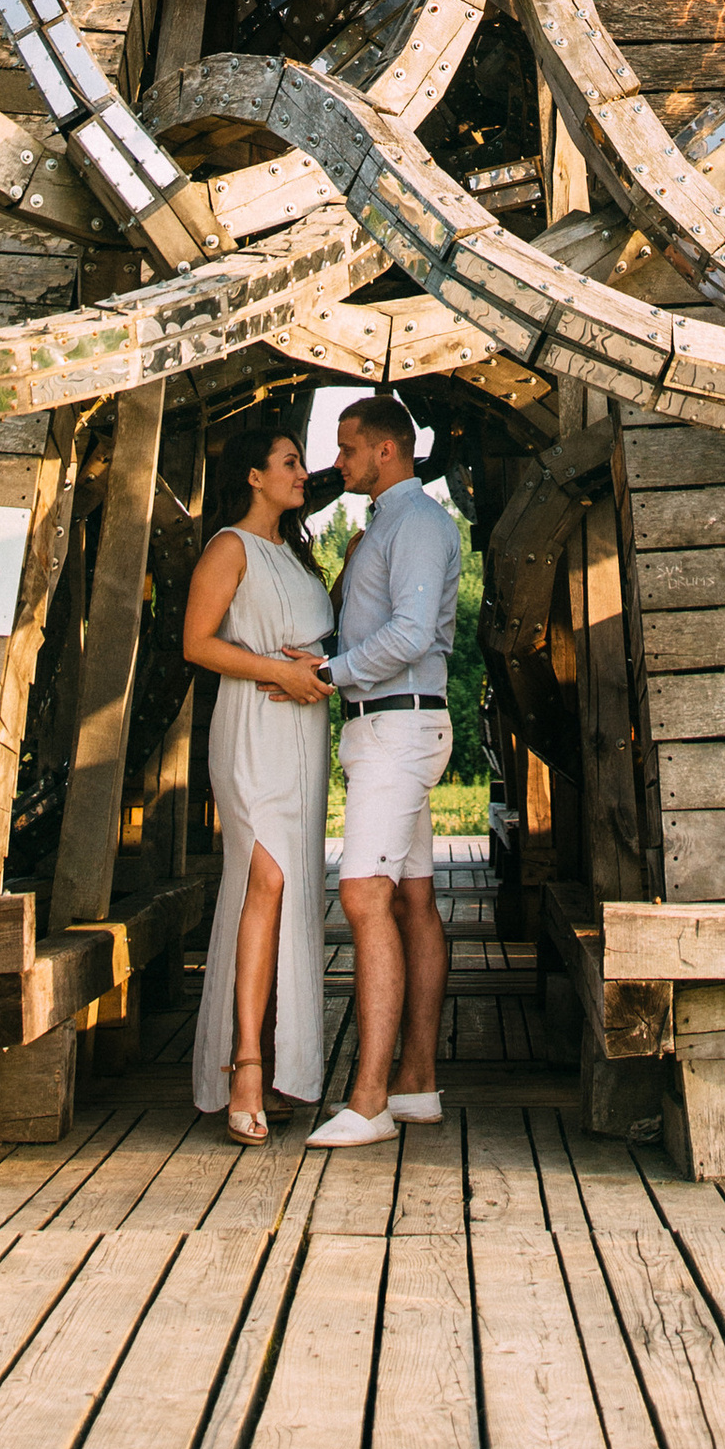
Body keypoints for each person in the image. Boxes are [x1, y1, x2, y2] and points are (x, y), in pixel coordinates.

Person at [297, 391, 461, 1151]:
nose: (338, 462)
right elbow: (376, 627)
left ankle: (368, 1102)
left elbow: (412, 631)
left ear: (386, 450)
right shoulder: (388, 525)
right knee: (412, 899)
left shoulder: (419, 522)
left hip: (399, 725)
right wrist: (324, 656)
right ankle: (416, 1085)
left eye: (348, 448)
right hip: (390, 724)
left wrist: (330, 675)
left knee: (364, 896)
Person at [181, 424, 337, 1143]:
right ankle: (243, 1063)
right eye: (289, 462)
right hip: (251, 727)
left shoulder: (296, 557)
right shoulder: (229, 547)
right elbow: (197, 643)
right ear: (252, 475)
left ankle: (279, 1064)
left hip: (303, 737)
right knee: (263, 882)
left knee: (291, 890)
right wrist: (278, 671)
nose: (303, 473)